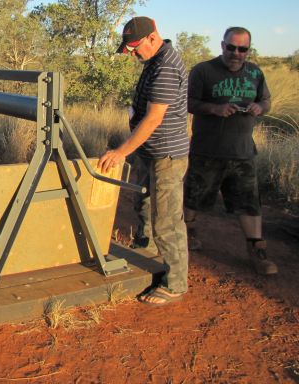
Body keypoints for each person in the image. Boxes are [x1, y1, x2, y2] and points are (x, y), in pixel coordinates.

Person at [98, 16, 189, 306]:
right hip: (150, 152)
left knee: (167, 220)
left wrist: (121, 152)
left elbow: (153, 119)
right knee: (144, 204)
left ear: (153, 37)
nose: (133, 54)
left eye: (136, 48)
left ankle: (175, 284)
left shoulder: (165, 67)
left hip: (166, 155)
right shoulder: (153, 61)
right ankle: (146, 256)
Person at [184, 27, 277, 275]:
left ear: (249, 49)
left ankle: (257, 250)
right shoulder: (203, 70)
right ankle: (189, 230)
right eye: (231, 47)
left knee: (249, 203)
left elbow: (266, 100)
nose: (236, 53)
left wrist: (260, 107)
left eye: (242, 49)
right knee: (194, 196)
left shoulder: (255, 72)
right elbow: (188, 102)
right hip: (207, 150)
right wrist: (214, 109)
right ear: (222, 45)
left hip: (242, 151)